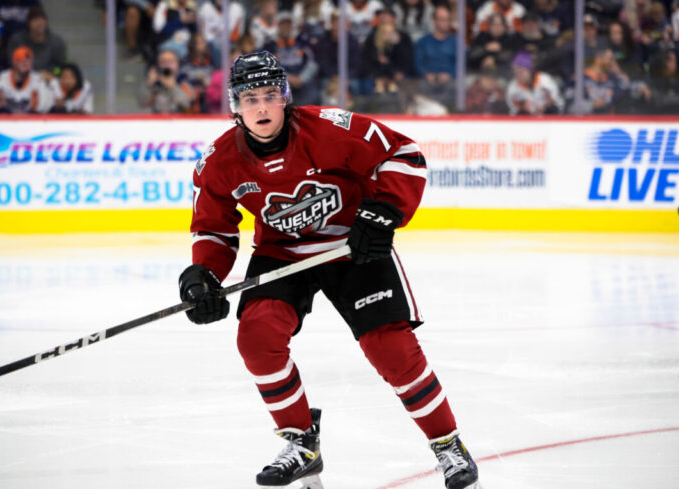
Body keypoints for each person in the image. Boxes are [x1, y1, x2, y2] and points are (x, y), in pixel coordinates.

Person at [177, 50, 481, 489]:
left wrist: (383, 212)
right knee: (257, 336)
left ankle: (448, 444)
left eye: (269, 95)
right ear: (235, 106)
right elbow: (213, 228)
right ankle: (302, 442)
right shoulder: (219, 161)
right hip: (282, 253)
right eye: (249, 98)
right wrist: (203, 275)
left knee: (391, 348)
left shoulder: (329, 128)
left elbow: (403, 154)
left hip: (350, 247)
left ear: (285, 97)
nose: (261, 107)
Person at [7, 6, 67, 82]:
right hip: (24, 79)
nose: (39, 23)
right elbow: (14, 63)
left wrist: (53, 74)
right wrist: (36, 75)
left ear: (46, 21)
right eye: (35, 20)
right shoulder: (17, 41)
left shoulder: (57, 42)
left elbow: (60, 67)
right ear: (28, 23)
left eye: (42, 19)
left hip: (49, 80)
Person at [0, 46, 52, 113]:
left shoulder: (38, 80)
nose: (25, 63)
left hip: (31, 121)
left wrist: (37, 105)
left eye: (28, 61)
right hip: (4, 120)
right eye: (21, 61)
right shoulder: (1, 79)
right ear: (14, 62)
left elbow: (44, 108)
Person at [505, 50, 563, 114]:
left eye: (521, 71)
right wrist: (523, 109)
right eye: (516, 72)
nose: (518, 75)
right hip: (525, 122)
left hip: (548, 120)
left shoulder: (545, 81)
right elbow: (514, 112)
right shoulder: (513, 87)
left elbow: (558, 106)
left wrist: (545, 108)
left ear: (530, 70)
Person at [138, 46, 192, 113]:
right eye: (163, 62)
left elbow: (187, 105)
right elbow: (143, 103)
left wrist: (173, 87)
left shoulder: (185, 80)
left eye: (170, 61)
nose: (167, 65)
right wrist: (149, 83)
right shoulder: (154, 83)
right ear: (158, 64)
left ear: (177, 63)